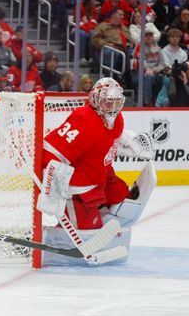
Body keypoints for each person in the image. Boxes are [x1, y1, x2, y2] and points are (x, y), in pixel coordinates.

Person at [38, 77, 152, 233]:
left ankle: (100, 213)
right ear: (96, 100)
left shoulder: (117, 119)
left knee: (124, 202)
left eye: (117, 102)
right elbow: (52, 151)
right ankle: (53, 237)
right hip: (77, 188)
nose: (113, 107)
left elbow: (100, 141)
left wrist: (125, 144)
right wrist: (54, 190)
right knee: (87, 231)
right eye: (108, 102)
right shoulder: (84, 119)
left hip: (100, 177)